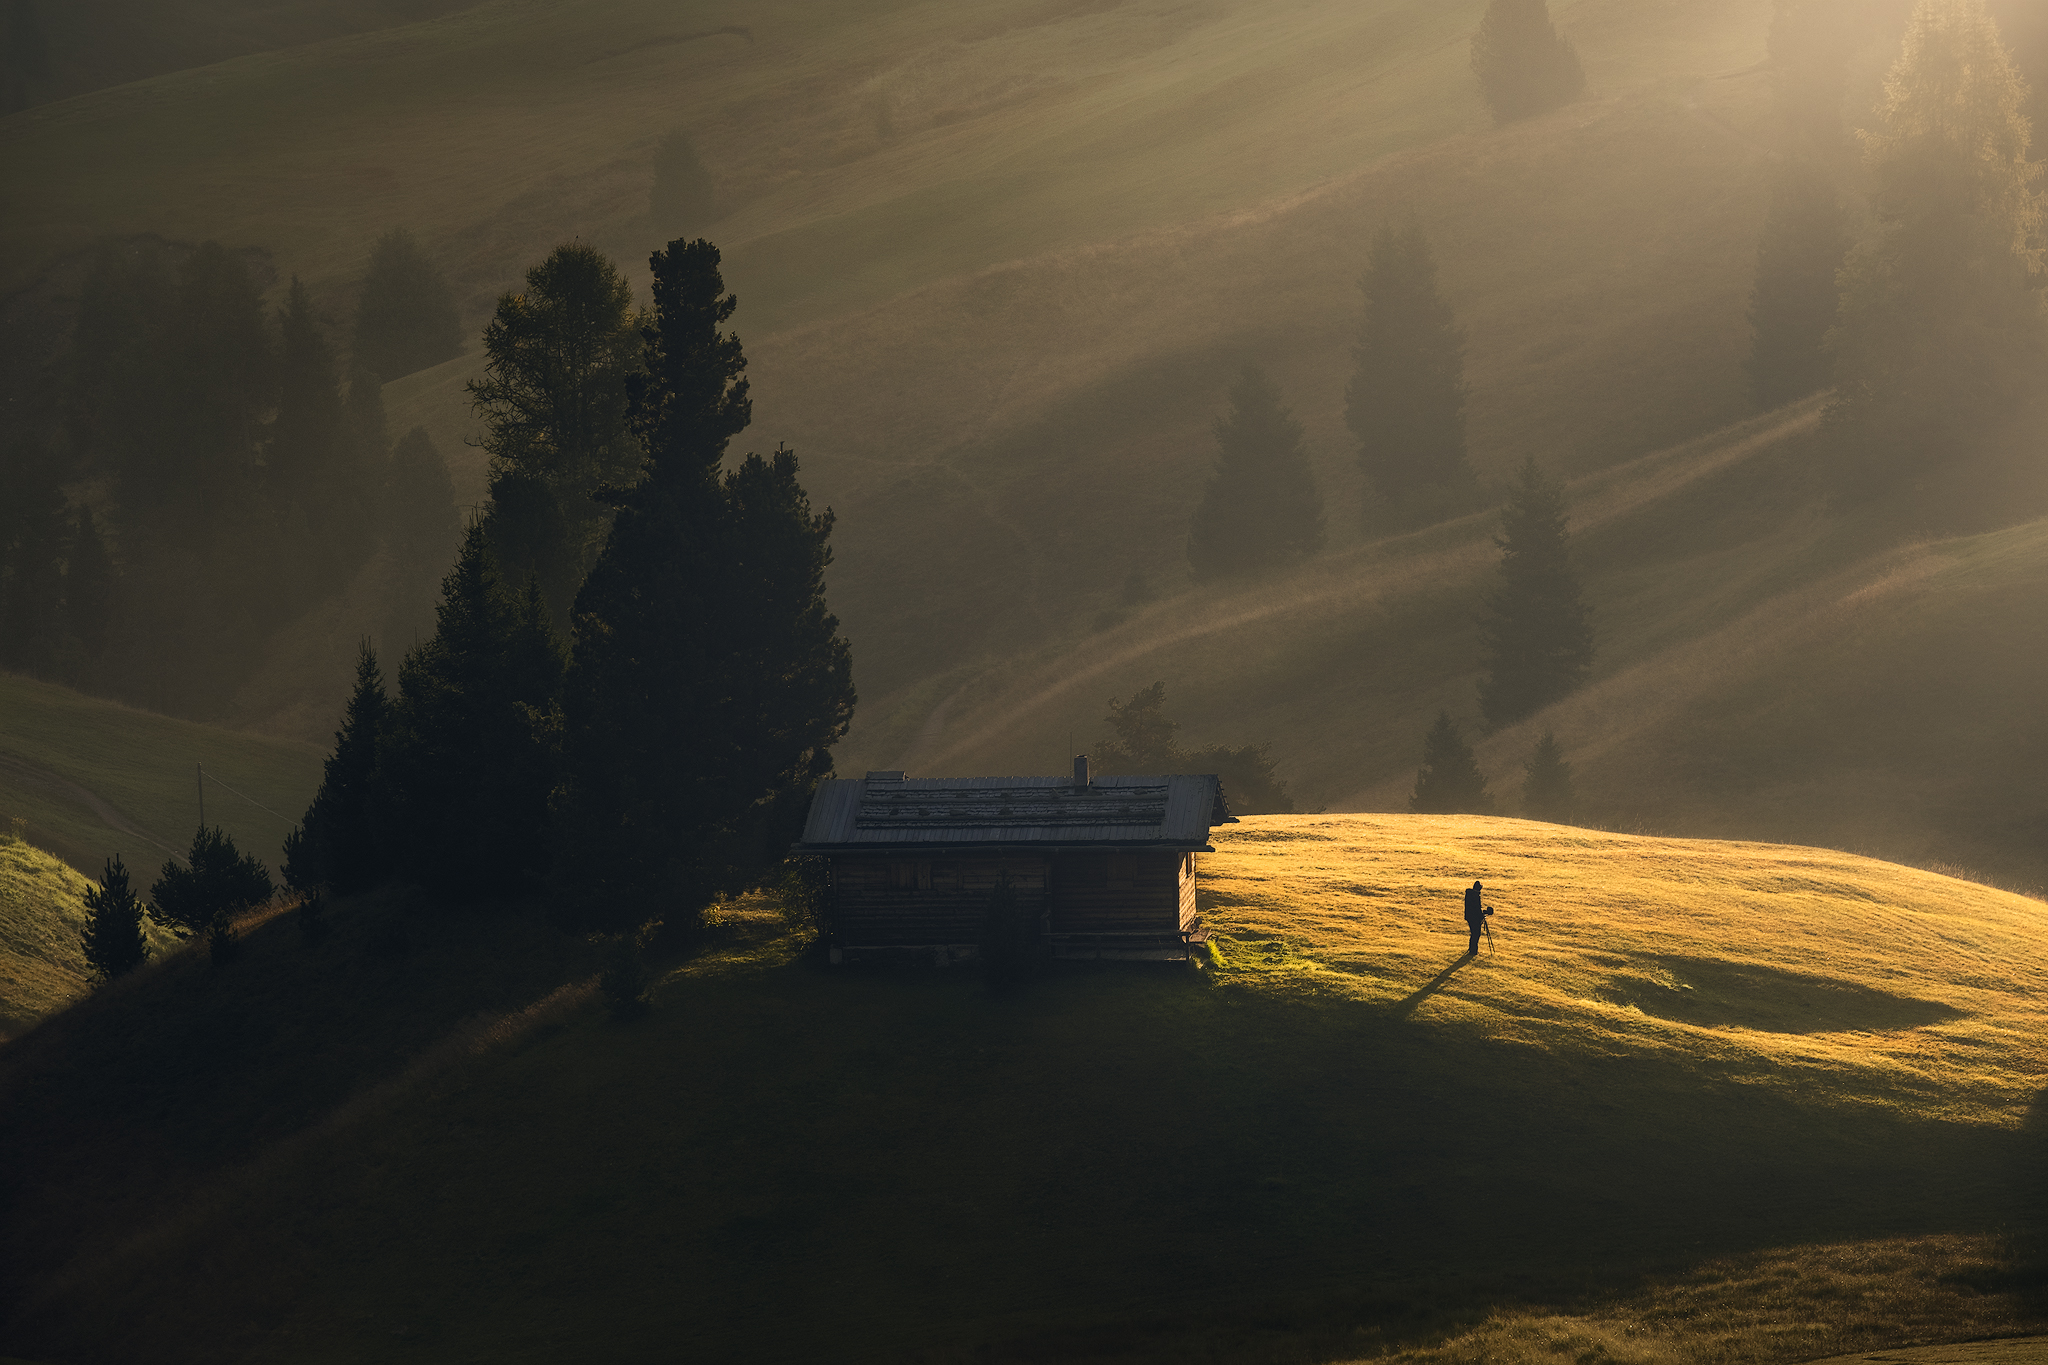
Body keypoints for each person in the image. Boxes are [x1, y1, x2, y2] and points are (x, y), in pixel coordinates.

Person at [1463, 879, 1493, 956]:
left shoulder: (1470, 894)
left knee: (1474, 933)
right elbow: (1476, 909)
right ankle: (1473, 951)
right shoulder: (1475, 896)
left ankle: (1472, 949)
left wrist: (1482, 913)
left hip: (1470, 917)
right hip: (1474, 918)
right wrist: (1481, 915)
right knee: (1476, 934)